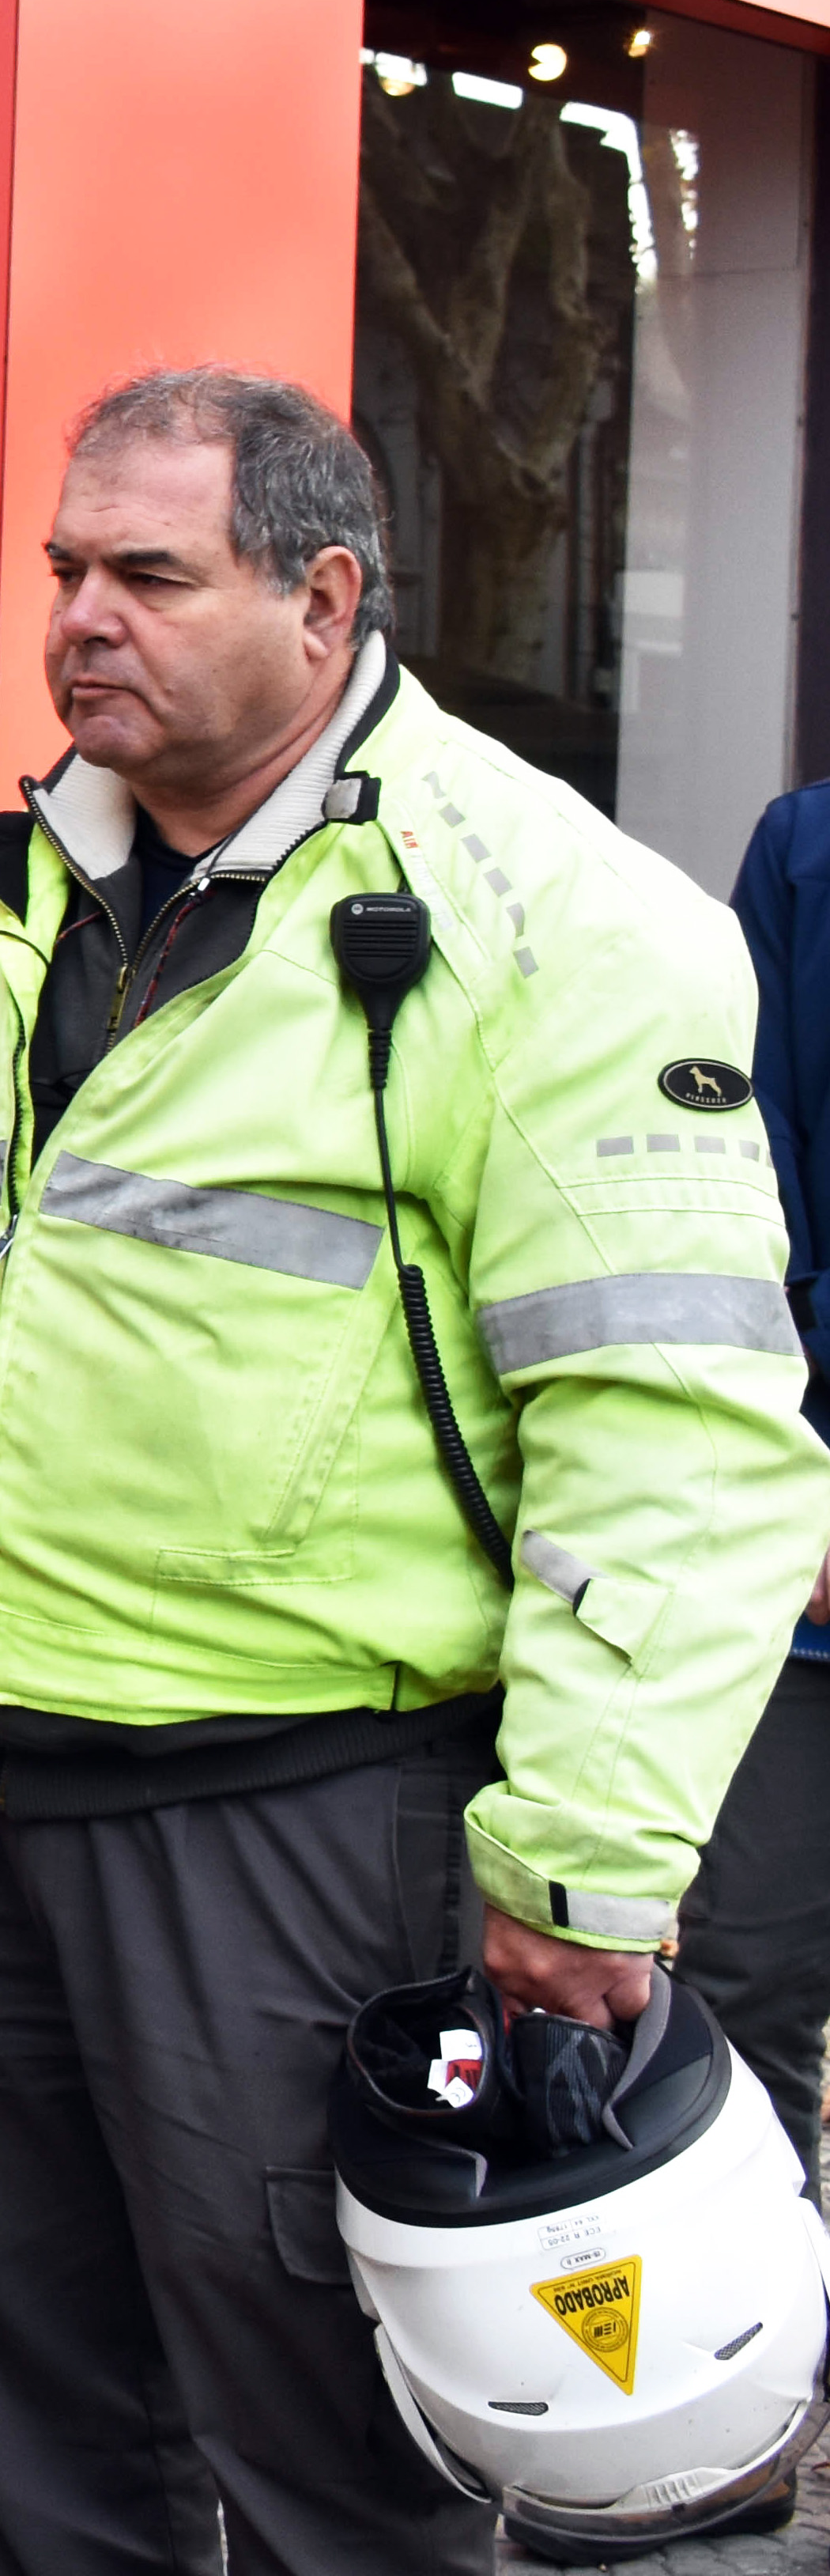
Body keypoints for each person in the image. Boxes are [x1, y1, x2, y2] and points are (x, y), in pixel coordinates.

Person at [0, 366, 830, 2574]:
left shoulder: (553, 912)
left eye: (148, 575)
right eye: (64, 568)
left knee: (333, 2490)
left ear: (323, 593)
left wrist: (577, 1867)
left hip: (291, 1819)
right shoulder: (3, 901)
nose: (80, 615)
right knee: (26, 2452)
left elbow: (676, 1430)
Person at [685, 777, 830, 2199]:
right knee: (748, 1967)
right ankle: (759, 2353)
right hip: (807, 1551)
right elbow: (741, 1172)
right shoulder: (804, 848)